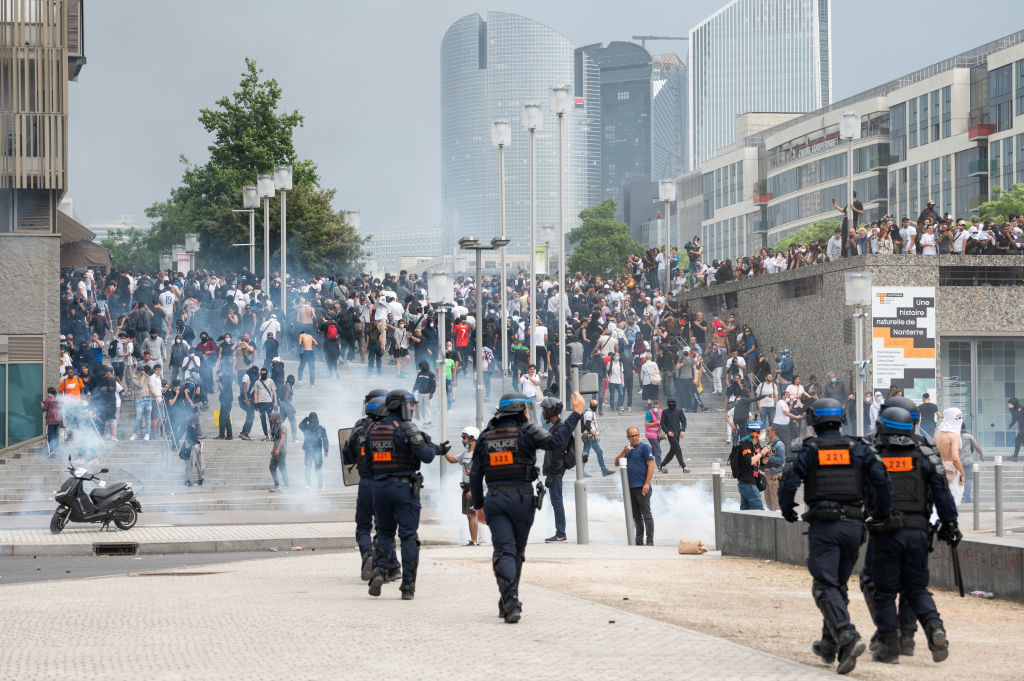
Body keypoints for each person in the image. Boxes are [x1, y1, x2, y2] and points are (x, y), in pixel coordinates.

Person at [777, 398, 893, 676]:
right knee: (837, 587)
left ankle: (846, 635)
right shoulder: (859, 448)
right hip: (854, 527)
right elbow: (882, 481)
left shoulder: (809, 450)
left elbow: (788, 482)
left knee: (824, 586)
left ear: (812, 421)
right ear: (841, 420)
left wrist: (788, 511)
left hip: (824, 527)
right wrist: (880, 513)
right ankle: (829, 647)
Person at [471, 391, 583, 623]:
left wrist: (479, 505)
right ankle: (510, 599)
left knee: (504, 550)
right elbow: (556, 441)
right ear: (520, 411)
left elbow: (475, 473)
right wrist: (576, 413)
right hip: (522, 499)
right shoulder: (527, 431)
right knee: (516, 553)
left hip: (495, 499)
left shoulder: (486, 435)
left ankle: (509, 599)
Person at [863, 406, 959, 665]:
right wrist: (951, 524)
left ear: (883, 427)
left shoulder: (874, 455)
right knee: (916, 588)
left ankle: (889, 648)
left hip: (886, 533)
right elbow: (943, 494)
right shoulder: (925, 455)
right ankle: (935, 628)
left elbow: (861, 491)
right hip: (918, 531)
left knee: (884, 592)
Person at [367, 389, 447, 601]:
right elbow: (427, 456)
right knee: (408, 536)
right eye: (410, 405)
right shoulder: (405, 427)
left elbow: (366, 464)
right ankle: (408, 586)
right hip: (403, 488)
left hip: (379, 488)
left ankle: (378, 571)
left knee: (384, 534)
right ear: (400, 405)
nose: (412, 409)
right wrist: (431, 445)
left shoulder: (374, 429)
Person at [341, 390, 394, 582]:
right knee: (384, 529)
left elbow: (347, 456)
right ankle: (387, 568)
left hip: (365, 482)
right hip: (387, 483)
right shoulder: (392, 427)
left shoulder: (359, 428)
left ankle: (367, 555)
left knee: (363, 527)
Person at [538, 396, 573, 542]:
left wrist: (552, 473)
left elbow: (557, 453)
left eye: (545, 410)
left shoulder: (559, 428)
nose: (543, 413)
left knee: (557, 500)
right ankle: (560, 531)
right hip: (555, 469)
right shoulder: (556, 427)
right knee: (555, 500)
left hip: (556, 470)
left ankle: (561, 533)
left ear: (551, 411)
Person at [615, 426, 655, 546]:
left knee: (646, 515)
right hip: (630, 489)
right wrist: (624, 452)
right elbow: (616, 463)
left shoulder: (645, 447)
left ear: (639, 435)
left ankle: (649, 540)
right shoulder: (628, 451)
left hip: (642, 487)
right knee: (637, 516)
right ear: (628, 437)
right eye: (631, 436)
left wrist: (647, 483)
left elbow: (651, 465)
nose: (634, 438)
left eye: (636, 435)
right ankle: (639, 540)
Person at [443, 425, 482, 546]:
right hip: (466, 487)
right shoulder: (466, 452)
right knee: (469, 515)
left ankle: (475, 541)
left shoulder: (477, 454)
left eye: (464, 437)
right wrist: (444, 451)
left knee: (472, 514)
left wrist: (472, 489)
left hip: (472, 487)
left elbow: (480, 473)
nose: (462, 440)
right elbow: (453, 460)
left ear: (472, 438)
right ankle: (474, 539)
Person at [729, 420, 768, 510]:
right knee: (759, 511)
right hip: (747, 482)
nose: (763, 433)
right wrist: (762, 453)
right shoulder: (745, 445)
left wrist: (767, 455)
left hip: (752, 482)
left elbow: (761, 462)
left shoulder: (757, 444)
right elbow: (750, 461)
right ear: (755, 432)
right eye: (761, 431)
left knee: (745, 511)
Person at [299, 412, 330, 491]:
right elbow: (325, 440)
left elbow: (300, 425)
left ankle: (308, 485)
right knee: (318, 468)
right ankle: (320, 486)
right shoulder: (321, 428)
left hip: (308, 451)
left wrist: (306, 418)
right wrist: (326, 450)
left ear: (310, 419)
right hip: (318, 451)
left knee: (308, 468)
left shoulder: (306, 427)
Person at [581, 399, 611, 476]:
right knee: (586, 453)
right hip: (589, 436)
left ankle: (604, 470)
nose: (595, 406)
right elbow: (588, 426)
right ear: (590, 404)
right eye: (593, 404)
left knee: (598, 452)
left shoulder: (591, 412)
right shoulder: (589, 413)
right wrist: (596, 435)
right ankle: (581, 472)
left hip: (591, 436)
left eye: (596, 404)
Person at [660, 398, 690, 473]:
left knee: (672, 452)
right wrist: (667, 432)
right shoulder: (665, 412)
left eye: (673, 402)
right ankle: (684, 467)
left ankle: (661, 466)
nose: (671, 404)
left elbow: (683, 421)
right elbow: (662, 423)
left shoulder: (679, 411)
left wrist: (682, 430)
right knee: (678, 449)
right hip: (671, 435)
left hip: (677, 433)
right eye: (670, 403)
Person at [762, 425, 786, 511]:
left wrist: (767, 457)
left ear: (773, 432)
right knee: (768, 499)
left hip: (774, 474)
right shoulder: (769, 444)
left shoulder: (780, 445)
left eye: (768, 431)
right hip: (767, 474)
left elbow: (781, 460)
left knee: (775, 500)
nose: (767, 433)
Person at [959, 422, 984, 504]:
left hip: (957, 462)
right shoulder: (969, 436)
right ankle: (967, 497)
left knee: (957, 479)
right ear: (965, 428)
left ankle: (958, 496)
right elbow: (977, 447)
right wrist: (982, 455)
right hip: (968, 461)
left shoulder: (955, 436)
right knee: (968, 479)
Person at [252, 367, 278, 441]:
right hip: (260, 404)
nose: (263, 374)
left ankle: (272, 435)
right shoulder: (257, 382)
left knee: (271, 420)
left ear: (267, 373)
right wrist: (256, 403)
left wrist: (275, 402)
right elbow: (255, 393)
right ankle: (266, 435)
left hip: (269, 403)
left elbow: (274, 392)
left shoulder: (270, 381)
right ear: (260, 373)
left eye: (264, 373)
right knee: (263, 420)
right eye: (262, 373)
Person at [181, 412, 205, 487]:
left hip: (197, 447)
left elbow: (196, 438)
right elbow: (188, 439)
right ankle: (187, 480)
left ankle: (201, 479)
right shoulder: (189, 427)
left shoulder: (197, 427)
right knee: (190, 464)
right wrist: (194, 445)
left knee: (201, 463)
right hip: (191, 447)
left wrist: (200, 442)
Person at [268, 412, 289, 492]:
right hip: (276, 450)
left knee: (282, 468)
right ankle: (277, 485)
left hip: (281, 450)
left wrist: (278, 449)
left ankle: (287, 485)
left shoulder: (282, 426)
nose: (270, 419)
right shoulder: (274, 426)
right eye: (270, 417)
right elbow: (276, 439)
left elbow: (282, 438)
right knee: (272, 467)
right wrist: (274, 449)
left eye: (272, 417)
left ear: (276, 418)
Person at [644, 399, 664, 470]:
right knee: (658, 450)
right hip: (651, 435)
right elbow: (646, 424)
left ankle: (645, 462)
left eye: (657, 407)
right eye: (654, 407)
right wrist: (656, 423)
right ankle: (659, 465)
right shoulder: (649, 413)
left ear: (659, 407)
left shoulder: (661, 412)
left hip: (658, 434)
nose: (656, 409)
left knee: (653, 450)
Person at [41, 387, 61, 456]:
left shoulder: (48, 400)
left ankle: (50, 451)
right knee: (55, 436)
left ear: (49, 392)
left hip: (50, 421)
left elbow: (44, 409)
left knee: (49, 436)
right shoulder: (58, 400)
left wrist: (42, 405)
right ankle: (56, 450)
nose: (46, 393)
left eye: (47, 392)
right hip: (57, 420)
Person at [215, 370, 233, 440]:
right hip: (226, 401)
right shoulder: (225, 377)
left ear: (221, 373)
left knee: (223, 418)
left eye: (218, 374)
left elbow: (223, 388)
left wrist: (218, 382)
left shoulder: (225, 378)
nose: (217, 376)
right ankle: (229, 435)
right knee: (226, 418)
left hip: (226, 401)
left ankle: (222, 435)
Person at [1007, 397, 1024, 462]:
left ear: (1014, 404)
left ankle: (1015, 457)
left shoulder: (1021, 408)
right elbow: (1014, 419)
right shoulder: (1016, 409)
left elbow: (1016, 416)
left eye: (1011, 404)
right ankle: (1015, 456)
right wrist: (1009, 426)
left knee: (1017, 441)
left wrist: (1010, 409)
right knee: (1018, 441)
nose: (1009, 405)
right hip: (1022, 428)